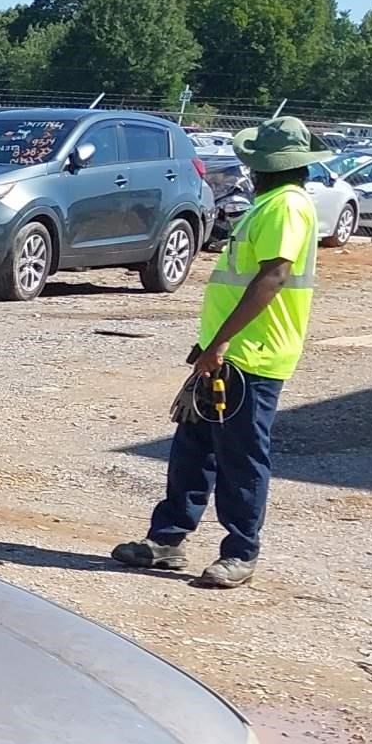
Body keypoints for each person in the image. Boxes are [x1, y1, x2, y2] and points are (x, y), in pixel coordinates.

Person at [112, 115, 322, 590]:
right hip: (227, 353)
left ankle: (240, 552)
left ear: (269, 165)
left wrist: (223, 341)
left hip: (253, 354)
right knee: (193, 449)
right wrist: (211, 345)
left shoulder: (286, 206)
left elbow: (273, 276)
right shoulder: (270, 203)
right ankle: (166, 542)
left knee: (241, 457)